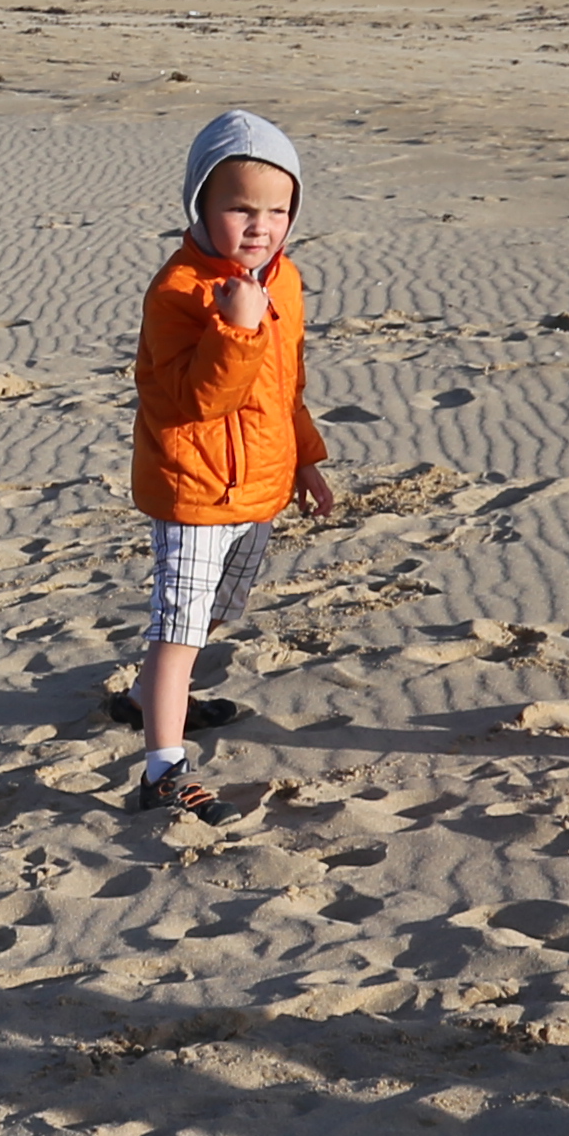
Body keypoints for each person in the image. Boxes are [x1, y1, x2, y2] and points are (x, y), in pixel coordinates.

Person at [120, 108, 337, 817]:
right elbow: (198, 402)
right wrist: (236, 326)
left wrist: (304, 458)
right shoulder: (181, 292)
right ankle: (161, 768)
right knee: (177, 628)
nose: (259, 225)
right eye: (239, 207)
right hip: (195, 488)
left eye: (277, 209)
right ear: (200, 206)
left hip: (258, 487)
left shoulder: (286, 280)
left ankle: (151, 696)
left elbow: (284, 385)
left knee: (215, 610)